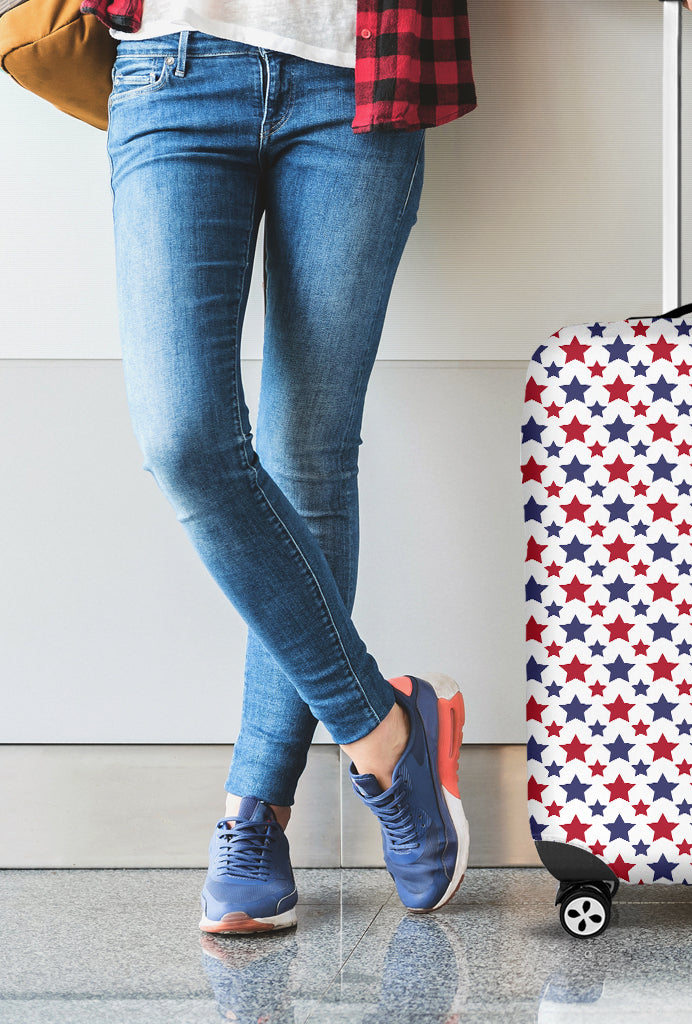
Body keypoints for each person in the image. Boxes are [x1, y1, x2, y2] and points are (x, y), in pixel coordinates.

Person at [83, 0, 475, 933]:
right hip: (173, 69)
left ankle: (255, 813)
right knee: (184, 441)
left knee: (309, 454)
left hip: (359, 79)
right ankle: (386, 729)